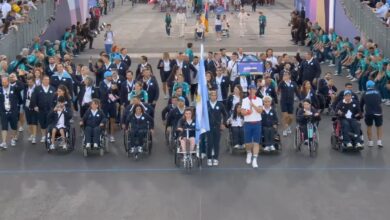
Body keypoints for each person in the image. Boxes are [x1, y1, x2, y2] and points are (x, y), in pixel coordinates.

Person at [241, 85, 263, 168]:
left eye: (254, 89)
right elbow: (242, 112)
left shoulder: (259, 100)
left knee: (256, 142)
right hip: (248, 123)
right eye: (251, 89)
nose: (253, 91)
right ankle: (249, 153)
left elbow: (260, 110)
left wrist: (253, 105)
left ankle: (255, 159)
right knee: (248, 143)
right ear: (249, 91)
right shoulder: (244, 100)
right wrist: (247, 112)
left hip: (257, 123)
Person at [206, 90, 228, 166]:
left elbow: (225, 115)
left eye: (215, 95)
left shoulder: (220, 104)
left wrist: (223, 123)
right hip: (208, 127)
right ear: (209, 96)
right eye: (212, 95)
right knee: (209, 143)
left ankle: (215, 158)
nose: (213, 96)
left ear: (216, 96)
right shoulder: (206, 104)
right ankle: (209, 158)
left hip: (217, 127)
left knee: (216, 143)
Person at [360, 80, 383, 148]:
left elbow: (361, 104)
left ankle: (370, 142)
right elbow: (380, 101)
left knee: (369, 126)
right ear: (373, 85)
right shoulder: (378, 92)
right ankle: (379, 141)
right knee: (379, 127)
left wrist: (361, 112)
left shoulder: (364, 93)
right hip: (378, 112)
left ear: (367, 86)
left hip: (369, 112)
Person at [0, 76, 21, 149]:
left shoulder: (14, 88)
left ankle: (13, 138)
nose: (4, 84)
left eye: (5, 82)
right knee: (4, 127)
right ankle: (4, 142)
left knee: (14, 126)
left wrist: (16, 79)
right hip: (3, 111)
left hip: (13, 111)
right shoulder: (0, 89)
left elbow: (22, 87)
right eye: (2, 82)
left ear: (8, 82)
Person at [99, 71, 119, 142]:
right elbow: (103, 93)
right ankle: (104, 133)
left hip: (112, 103)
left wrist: (116, 95)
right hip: (104, 103)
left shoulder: (114, 83)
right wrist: (110, 89)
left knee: (112, 119)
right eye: (109, 76)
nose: (111, 77)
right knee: (104, 119)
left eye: (111, 76)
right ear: (106, 77)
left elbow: (117, 93)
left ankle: (112, 135)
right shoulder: (102, 83)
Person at [278, 71, 299, 136]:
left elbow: (297, 92)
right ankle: (285, 129)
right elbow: (278, 88)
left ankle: (288, 126)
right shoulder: (282, 83)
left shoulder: (293, 83)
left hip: (291, 102)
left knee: (291, 118)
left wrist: (301, 99)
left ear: (289, 76)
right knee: (285, 116)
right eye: (284, 75)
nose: (285, 76)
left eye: (286, 75)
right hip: (283, 102)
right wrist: (282, 80)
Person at [23, 75, 38, 144]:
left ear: (34, 82)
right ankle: (31, 134)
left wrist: (37, 106)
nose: (29, 83)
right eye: (28, 82)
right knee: (29, 123)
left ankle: (34, 137)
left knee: (34, 122)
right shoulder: (26, 88)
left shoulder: (37, 89)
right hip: (27, 107)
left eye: (31, 82)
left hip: (34, 108)